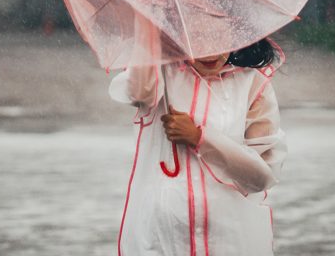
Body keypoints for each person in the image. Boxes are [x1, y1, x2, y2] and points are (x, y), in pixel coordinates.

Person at [109, 37, 288, 256]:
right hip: (161, 241)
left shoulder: (254, 84)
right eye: (198, 37)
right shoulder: (160, 73)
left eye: (217, 35)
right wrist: (148, 18)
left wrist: (200, 138)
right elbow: (139, 91)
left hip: (230, 242)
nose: (210, 53)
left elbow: (262, 175)